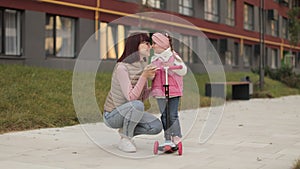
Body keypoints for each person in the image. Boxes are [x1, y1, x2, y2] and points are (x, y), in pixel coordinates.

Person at [103, 32, 163, 153]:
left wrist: (156, 89)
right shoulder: (122, 68)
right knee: (137, 105)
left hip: (131, 110)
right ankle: (126, 139)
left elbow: (142, 95)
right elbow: (131, 98)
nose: (149, 46)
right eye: (145, 43)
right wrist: (144, 76)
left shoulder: (142, 65)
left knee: (156, 126)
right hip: (112, 115)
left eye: (149, 43)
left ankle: (125, 132)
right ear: (134, 45)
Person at [150, 32, 187, 146]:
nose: (152, 46)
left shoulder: (173, 56)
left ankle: (176, 135)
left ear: (161, 44)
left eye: (154, 43)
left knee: (172, 114)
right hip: (160, 91)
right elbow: (152, 75)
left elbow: (183, 70)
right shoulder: (154, 59)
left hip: (173, 91)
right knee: (164, 114)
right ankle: (167, 137)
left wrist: (174, 67)